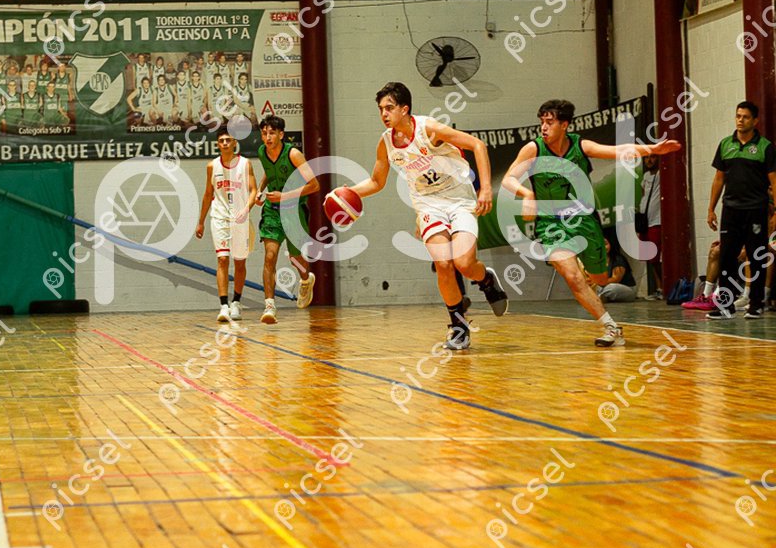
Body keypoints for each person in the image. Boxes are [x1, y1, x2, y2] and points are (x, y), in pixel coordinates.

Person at [335, 82, 507, 352]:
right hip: (428, 205)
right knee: (443, 264)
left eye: (389, 108)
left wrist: (485, 188)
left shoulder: (429, 130)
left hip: (459, 199)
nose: (384, 114)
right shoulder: (386, 142)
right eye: (380, 109)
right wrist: (345, 193)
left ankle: (485, 279)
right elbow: (376, 182)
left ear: (405, 109)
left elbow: (478, 145)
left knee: (464, 263)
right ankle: (458, 327)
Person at [502, 98, 680, 347]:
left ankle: (588, 269)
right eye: (542, 122)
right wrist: (526, 194)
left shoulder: (580, 146)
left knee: (600, 279)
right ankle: (611, 327)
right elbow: (508, 179)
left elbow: (617, 151)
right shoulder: (533, 149)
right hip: (550, 223)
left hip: (584, 220)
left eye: (550, 122)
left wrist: (652, 149)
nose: (543, 127)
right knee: (572, 277)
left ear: (564, 125)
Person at [706, 101, 776, 319]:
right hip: (731, 211)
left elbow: (774, 181)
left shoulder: (765, 147)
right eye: (738, 116)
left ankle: (756, 304)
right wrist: (711, 208)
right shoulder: (725, 144)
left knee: (756, 257)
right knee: (726, 257)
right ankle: (725, 306)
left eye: (745, 117)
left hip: (755, 210)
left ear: (755, 121)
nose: (740, 120)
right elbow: (719, 179)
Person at [257, 114, 319, 324]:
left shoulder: (294, 154)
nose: (267, 137)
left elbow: (314, 185)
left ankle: (305, 280)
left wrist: (284, 196)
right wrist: (260, 190)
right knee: (270, 256)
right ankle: (269, 306)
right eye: (264, 133)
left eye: (272, 133)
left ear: (281, 134)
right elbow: (268, 173)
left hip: (293, 210)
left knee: (295, 258)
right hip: (272, 211)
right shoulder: (262, 152)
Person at [195, 126, 258, 323]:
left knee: (239, 262)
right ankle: (223, 305)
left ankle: (236, 302)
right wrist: (200, 221)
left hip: (240, 218)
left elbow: (254, 190)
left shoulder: (245, 164)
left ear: (234, 143)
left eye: (228, 140)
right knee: (222, 260)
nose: (224, 143)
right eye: (221, 140)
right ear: (217, 144)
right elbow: (208, 194)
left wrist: (246, 209)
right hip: (219, 217)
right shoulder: (212, 166)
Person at [638, 154, 662, 298]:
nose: (649, 160)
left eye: (653, 157)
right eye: (646, 158)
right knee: (649, 258)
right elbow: (643, 196)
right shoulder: (645, 176)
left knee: (656, 257)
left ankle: (663, 287)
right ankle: (659, 287)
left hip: (656, 221)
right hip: (645, 222)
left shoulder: (661, 174)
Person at [591, 235, 637, 303]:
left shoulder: (618, 259)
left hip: (625, 289)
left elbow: (616, 279)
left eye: (605, 244)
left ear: (611, 244)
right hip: (604, 287)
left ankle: (599, 296)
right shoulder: (597, 260)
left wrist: (597, 283)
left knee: (611, 287)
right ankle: (602, 296)